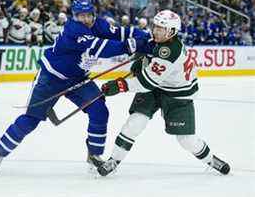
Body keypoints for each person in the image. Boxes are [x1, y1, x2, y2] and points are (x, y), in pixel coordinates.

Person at [0, 0, 148, 172]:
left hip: (78, 79)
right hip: (51, 78)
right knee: (31, 119)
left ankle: (94, 155)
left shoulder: (99, 24)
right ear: (74, 16)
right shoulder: (74, 30)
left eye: (88, 15)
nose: (85, 19)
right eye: (80, 16)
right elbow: (103, 48)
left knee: (99, 110)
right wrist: (133, 45)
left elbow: (121, 33)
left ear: (93, 14)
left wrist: (147, 37)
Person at [94, 10, 230, 176]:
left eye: (161, 29)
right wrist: (142, 59)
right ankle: (113, 161)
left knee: (186, 140)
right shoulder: (162, 40)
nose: (156, 31)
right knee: (135, 122)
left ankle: (211, 160)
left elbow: (145, 82)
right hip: (157, 87)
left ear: (172, 32)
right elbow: (151, 53)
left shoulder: (170, 52)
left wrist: (119, 85)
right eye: (156, 27)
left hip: (178, 95)